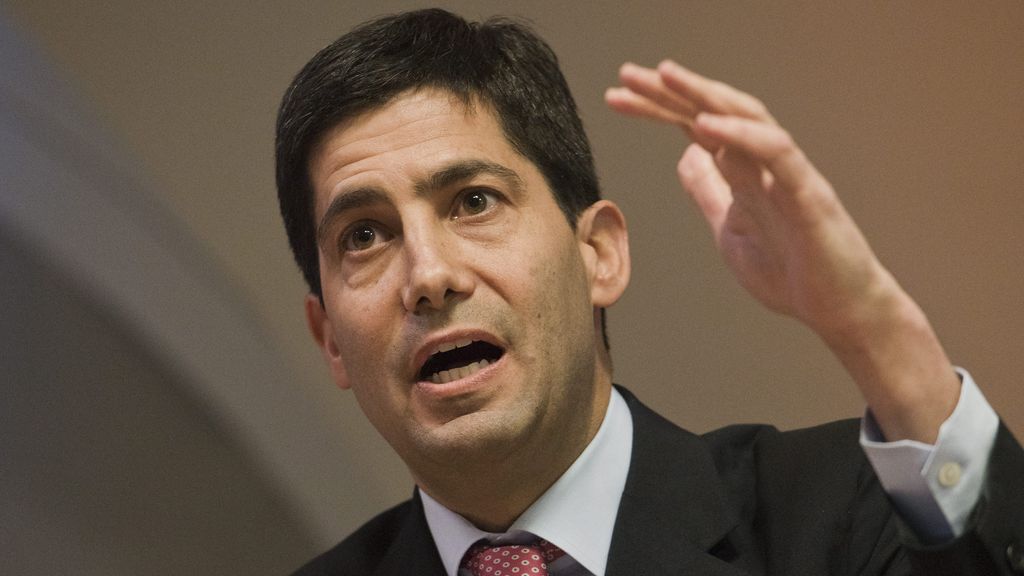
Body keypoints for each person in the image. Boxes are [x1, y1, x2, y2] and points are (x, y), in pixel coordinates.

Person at [274, 8, 1023, 576]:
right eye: (364, 236)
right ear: (331, 339)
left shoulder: (842, 516)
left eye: (473, 202)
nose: (428, 276)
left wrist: (870, 327)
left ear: (599, 253)